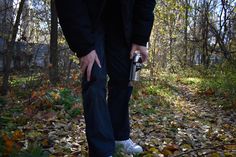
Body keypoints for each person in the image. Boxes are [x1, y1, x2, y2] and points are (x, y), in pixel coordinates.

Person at [55, 0, 156, 156]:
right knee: (94, 77)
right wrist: (84, 46)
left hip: (123, 17)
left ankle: (119, 137)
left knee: (125, 76)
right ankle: (101, 150)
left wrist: (140, 38)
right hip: (89, 19)